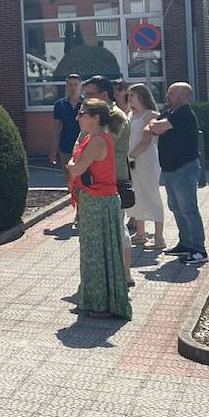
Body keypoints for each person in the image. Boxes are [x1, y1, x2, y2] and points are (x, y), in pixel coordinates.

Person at [67, 100, 134, 319]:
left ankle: (102, 305)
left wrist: (70, 165)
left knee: (99, 254)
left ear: (96, 118)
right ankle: (91, 301)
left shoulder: (97, 140)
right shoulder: (91, 138)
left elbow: (77, 168)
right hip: (93, 200)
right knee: (91, 253)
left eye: (82, 113)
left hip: (100, 201)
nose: (79, 117)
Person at [146, 82, 208, 265]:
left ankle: (198, 250)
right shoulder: (170, 112)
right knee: (176, 207)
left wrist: (153, 123)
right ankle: (185, 243)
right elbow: (153, 126)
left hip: (184, 168)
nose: (167, 95)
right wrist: (154, 124)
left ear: (182, 97)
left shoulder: (184, 114)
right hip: (170, 168)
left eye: (171, 93)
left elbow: (154, 128)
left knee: (189, 209)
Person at [83, 77, 134, 280]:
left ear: (104, 95)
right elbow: (80, 145)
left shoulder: (115, 117)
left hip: (114, 180)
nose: (85, 98)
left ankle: (125, 273)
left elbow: (98, 145)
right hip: (95, 180)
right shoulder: (94, 116)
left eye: (90, 94)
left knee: (117, 227)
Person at [125, 84, 165, 253]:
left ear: (141, 96)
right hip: (131, 159)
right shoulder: (130, 114)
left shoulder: (152, 115)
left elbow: (147, 139)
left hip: (146, 159)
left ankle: (159, 238)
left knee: (151, 195)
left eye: (132, 95)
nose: (129, 98)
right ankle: (140, 234)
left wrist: (133, 155)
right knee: (137, 196)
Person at [50, 74, 84, 168]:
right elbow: (56, 128)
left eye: (76, 85)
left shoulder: (87, 103)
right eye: (70, 85)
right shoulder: (59, 105)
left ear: (80, 85)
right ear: (66, 86)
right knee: (68, 175)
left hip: (84, 146)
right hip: (66, 146)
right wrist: (53, 148)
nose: (73, 88)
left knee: (83, 177)